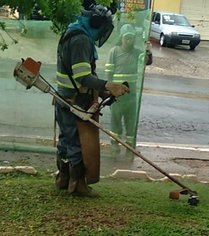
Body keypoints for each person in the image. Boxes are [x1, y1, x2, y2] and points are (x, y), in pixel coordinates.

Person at [54, 1, 129, 197]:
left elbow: (77, 76)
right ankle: (77, 185)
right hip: (74, 102)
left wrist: (103, 93)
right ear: (95, 23)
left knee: (65, 141)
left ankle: (63, 179)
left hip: (64, 98)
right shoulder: (81, 40)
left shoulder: (71, 31)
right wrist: (108, 85)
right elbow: (82, 76)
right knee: (76, 143)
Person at [105, 24, 152, 156]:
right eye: (126, 38)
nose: (128, 40)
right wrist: (110, 91)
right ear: (121, 38)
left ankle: (130, 147)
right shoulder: (114, 51)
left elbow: (147, 62)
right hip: (117, 96)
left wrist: (148, 51)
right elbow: (109, 73)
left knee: (130, 122)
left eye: (131, 38)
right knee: (115, 120)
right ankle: (114, 145)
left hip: (131, 96)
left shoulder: (137, 52)